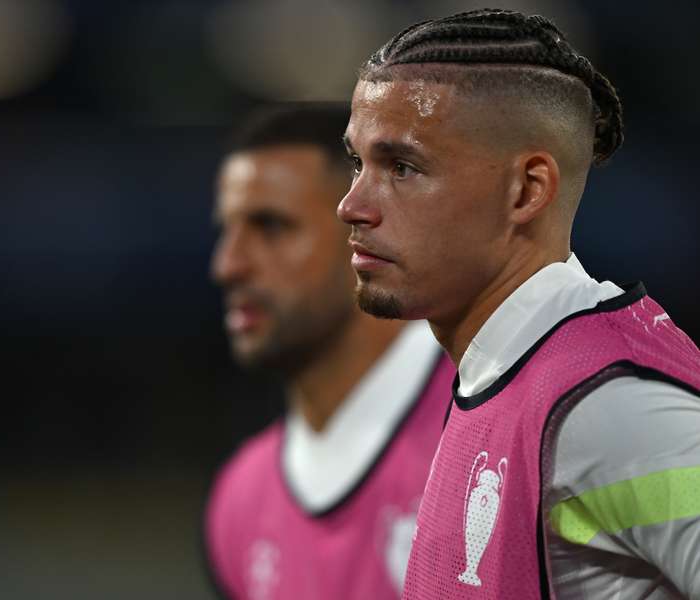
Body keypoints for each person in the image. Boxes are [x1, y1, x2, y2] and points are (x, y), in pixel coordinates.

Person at [338, 8, 700, 599]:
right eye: (359, 163)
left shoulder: (610, 409)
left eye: (402, 167)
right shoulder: (503, 372)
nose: (351, 205)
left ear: (528, 190)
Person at [204, 104, 455, 600]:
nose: (227, 265)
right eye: (227, 230)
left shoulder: (504, 427)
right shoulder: (241, 502)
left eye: (270, 226)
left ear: (369, 231)